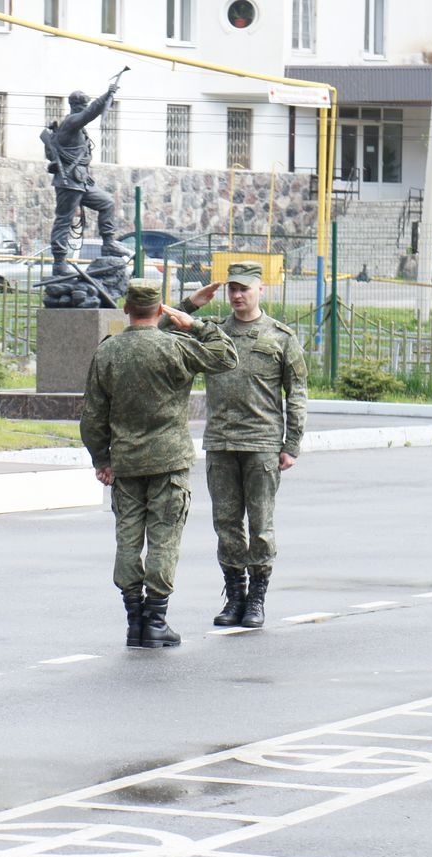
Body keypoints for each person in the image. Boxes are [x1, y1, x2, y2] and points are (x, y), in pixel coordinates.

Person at [81, 279, 237, 649]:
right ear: (161, 309)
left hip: (126, 464)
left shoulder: (108, 353)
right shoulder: (177, 347)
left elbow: (91, 416)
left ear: (125, 309)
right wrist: (194, 323)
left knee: (128, 540)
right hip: (169, 463)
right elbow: (226, 356)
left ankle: (134, 620)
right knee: (165, 540)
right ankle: (156, 619)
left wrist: (101, 458)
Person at [179, 260, 308, 629]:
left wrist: (291, 444)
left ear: (260, 290)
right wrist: (192, 303)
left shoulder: (281, 337)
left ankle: (257, 599)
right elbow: (157, 328)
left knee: (261, 525)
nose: (237, 295)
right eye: (232, 289)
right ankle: (234, 595)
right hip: (221, 442)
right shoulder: (213, 332)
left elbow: (296, 393)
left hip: (262, 442)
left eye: (244, 289)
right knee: (226, 524)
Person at [40, 87, 130, 275]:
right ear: (79, 106)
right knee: (64, 221)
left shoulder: (76, 126)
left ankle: (108, 244)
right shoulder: (72, 122)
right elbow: (90, 113)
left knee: (107, 203)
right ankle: (59, 263)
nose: (86, 108)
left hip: (81, 181)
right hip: (68, 182)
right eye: (85, 105)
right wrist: (107, 95)